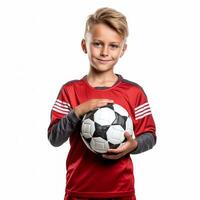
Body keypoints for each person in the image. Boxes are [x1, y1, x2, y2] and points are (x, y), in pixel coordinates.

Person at [48, 7, 156, 200]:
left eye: (113, 46)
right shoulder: (70, 91)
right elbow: (54, 138)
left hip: (121, 191)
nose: (105, 52)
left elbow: (150, 135)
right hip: (79, 191)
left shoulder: (134, 92)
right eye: (97, 44)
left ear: (123, 49)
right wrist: (78, 111)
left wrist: (134, 145)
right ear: (84, 45)